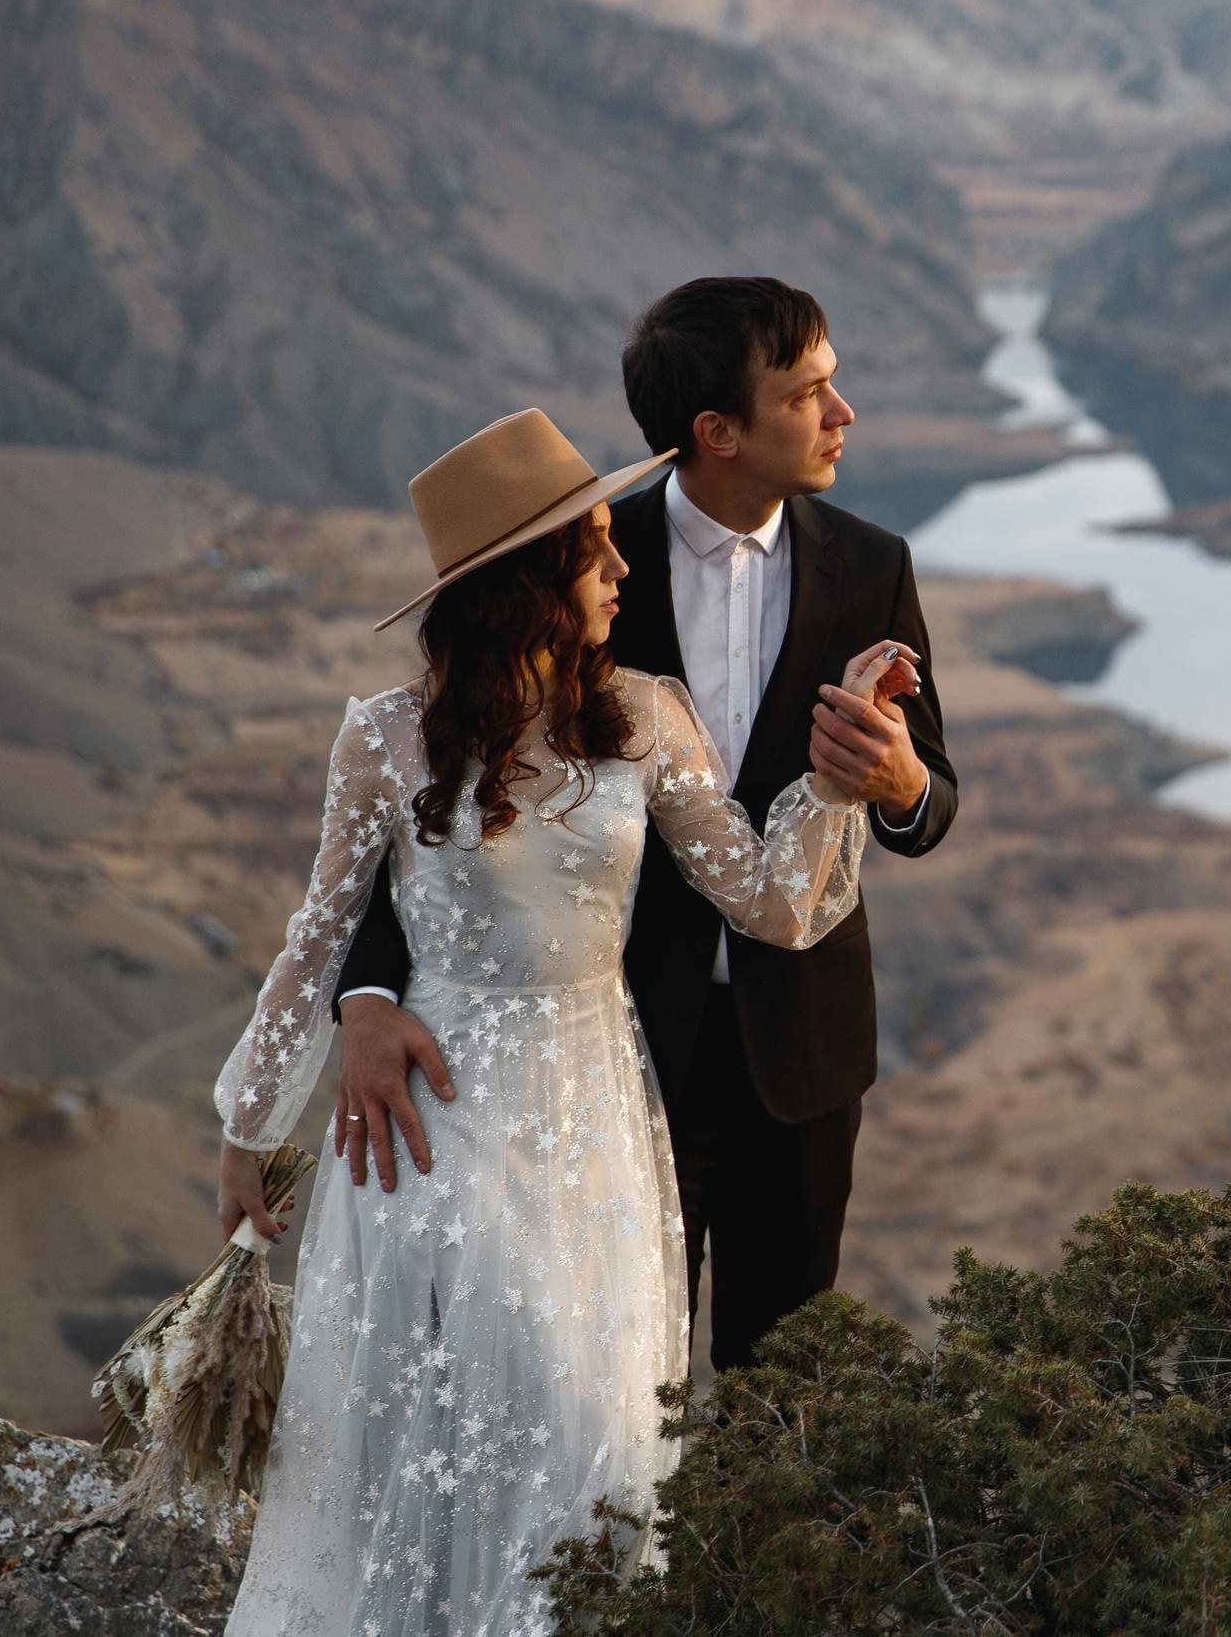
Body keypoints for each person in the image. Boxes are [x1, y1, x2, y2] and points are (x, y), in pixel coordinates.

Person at [210, 404, 921, 1634]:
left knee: (590, 1426)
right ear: (525, 589)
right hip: (433, 1127)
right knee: (474, 1407)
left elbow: (767, 902)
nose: (622, 570)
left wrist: (835, 779)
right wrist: (247, 1130)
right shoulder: (382, 737)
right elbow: (319, 935)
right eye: (596, 551)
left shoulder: (645, 716)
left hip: (595, 1116)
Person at [331, 277, 958, 1372]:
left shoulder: (872, 567)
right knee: (610, 1368)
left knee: (786, 1381)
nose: (843, 414)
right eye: (811, 393)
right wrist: (368, 991)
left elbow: (928, 797)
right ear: (716, 432)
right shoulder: (580, 564)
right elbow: (434, 809)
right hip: (609, 1053)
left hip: (802, 1055)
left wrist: (902, 783)